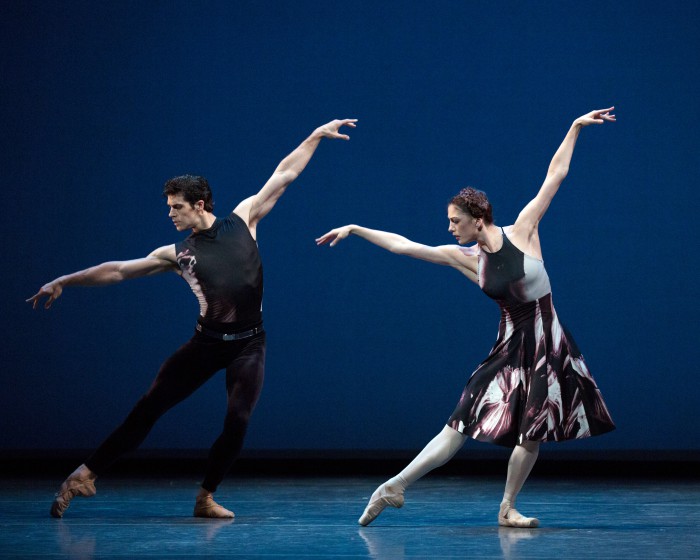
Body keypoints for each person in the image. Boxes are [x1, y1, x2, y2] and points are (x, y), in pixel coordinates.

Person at [28, 118, 358, 519]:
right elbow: (117, 270)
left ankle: (206, 497)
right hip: (205, 346)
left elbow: (284, 174)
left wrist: (315, 136)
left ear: (199, 205)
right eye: (169, 207)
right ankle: (86, 474)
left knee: (238, 418)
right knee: (148, 408)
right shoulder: (177, 253)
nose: (171, 214)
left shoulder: (243, 219)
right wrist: (65, 280)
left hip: (249, 344)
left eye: (176, 207)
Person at [316, 108, 616, 528]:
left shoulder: (523, 230)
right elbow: (405, 247)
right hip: (508, 352)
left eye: (456, 222)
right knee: (458, 425)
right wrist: (355, 228)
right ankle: (394, 485)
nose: (450, 228)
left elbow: (556, 176)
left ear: (479, 220)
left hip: (549, 346)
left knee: (533, 434)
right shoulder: (466, 258)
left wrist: (574, 127)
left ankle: (507, 508)